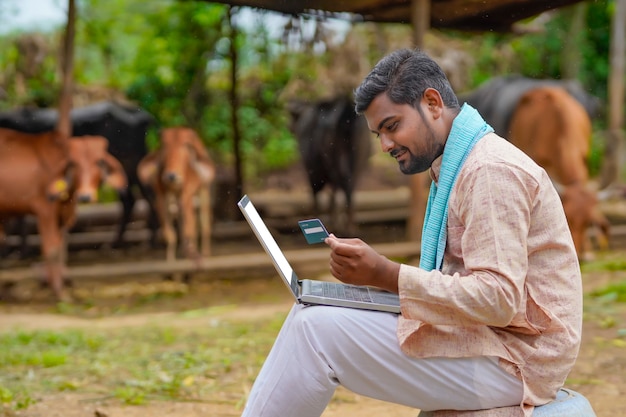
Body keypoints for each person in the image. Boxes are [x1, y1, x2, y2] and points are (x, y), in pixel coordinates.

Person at [240, 48, 582, 417]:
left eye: (391, 126)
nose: (385, 145)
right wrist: (376, 287)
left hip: (517, 360)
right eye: (378, 134)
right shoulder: (455, 164)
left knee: (314, 331)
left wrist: (388, 275)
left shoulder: (488, 171)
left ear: (432, 103)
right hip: (492, 342)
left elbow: (498, 298)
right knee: (311, 312)